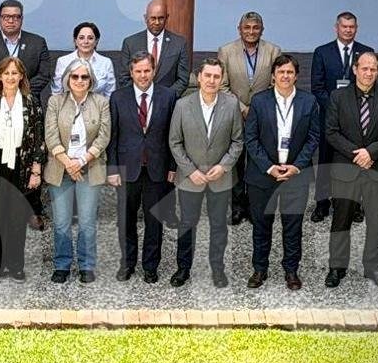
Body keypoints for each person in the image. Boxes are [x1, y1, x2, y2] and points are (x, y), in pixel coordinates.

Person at [323, 51, 378, 289]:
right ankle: (337, 267)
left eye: (373, 69)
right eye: (364, 68)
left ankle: (373, 267)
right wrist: (357, 155)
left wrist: (371, 152)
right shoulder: (338, 97)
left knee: (376, 221)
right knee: (341, 219)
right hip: (346, 168)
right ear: (355, 70)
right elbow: (331, 132)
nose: (368, 73)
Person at [243, 54, 320, 290]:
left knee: (293, 226)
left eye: (289, 72)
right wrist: (269, 167)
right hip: (263, 175)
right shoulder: (259, 101)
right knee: (261, 225)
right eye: (281, 72)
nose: (285, 76)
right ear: (273, 76)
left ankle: (291, 270)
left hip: (296, 174)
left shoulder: (309, 101)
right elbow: (250, 138)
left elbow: (313, 137)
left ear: (296, 76)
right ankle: (259, 269)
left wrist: (297, 166)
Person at [168, 58, 243, 288]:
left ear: (221, 79)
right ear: (199, 77)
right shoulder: (182, 105)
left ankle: (218, 269)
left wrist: (224, 166)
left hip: (220, 178)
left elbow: (237, 141)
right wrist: (190, 170)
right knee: (187, 224)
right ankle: (183, 269)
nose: (211, 80)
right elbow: (175, 142)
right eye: (207, 75)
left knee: (219, 225)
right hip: (191, 178)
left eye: (216, 76)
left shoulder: (231, 104)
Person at [107, 53, 177, 284]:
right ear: (131, 72)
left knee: (154, 220)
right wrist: (112, 168)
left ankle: (150, 266)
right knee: (126, 219)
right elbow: (113, 136)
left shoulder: (168, 96)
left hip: (157, 168)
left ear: (154, 71)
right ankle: (127, 263)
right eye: (138, 71)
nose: (143, 75)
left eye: (147, 71)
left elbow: (173, 135)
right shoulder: (118, 97)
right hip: (127, 168)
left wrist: (173, 166)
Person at [0, 57, 44, 281]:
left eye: (15, 73)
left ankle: (16, 265)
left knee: (17, 219)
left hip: (22, 167)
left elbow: (38, 139)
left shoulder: (31, 102)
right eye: (6, 73)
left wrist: (36, 171)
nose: (11, 77)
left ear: (22, 76)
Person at [44, 58, 111, 284]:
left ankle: (86, 265)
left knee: (87, 221)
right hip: (60, 169)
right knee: (61, 221)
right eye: (75, 76)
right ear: (67, 79)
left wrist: (81, 161)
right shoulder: (55, 101)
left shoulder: (101, 102)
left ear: (91, 80)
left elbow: (104, 136)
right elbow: (50, 135)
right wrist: (68, 163)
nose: (80, 80)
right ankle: (62, 265)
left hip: (89, 168)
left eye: (84, 76)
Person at [308, 12, 373, 223]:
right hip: (329, 117)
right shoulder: (322, 52)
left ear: (357, 28)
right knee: (326, 160)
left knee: (354, 161)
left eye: (351, 27)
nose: (348, 30)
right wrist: (336, 108)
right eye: (344, 26)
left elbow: (369, 85)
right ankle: (322, 204)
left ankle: (353, 205)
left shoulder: (366, 52)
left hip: (356, 119)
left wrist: (351, 110)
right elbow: (317, 87)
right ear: (336, 27)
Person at [218, 11, 281, 225]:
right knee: (235, 163)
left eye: (255, 27)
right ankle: (237, 207)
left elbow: (276, 84)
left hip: (263, 117)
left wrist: (257, 110)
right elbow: (222, 86)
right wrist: (244, 108)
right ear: (239, 29)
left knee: (258, 162)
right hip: (234, 116)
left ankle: (256, 206)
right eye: (247, 27)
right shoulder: (226, 51)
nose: (251, 31)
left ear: (262, 30)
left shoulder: (273, 51)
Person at [0, 0, 54, 100]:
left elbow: (44, 75)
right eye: (6, 17)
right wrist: (2, 93)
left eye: (15, 17)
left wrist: (21, 92)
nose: (10, 21)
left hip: (28, 101)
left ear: (22, 19)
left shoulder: (37, 43)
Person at [116, 0, 189, 95]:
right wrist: (141, 96)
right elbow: (124, 77)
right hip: (137, 100)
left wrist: (166, 97)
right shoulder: (130, 43)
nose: (157, 22)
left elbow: (183, 79)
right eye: (153, 18)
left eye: (161, 18)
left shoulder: (179, 43)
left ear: (167, 18)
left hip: (167, 101)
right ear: (145, 18)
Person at [51, 21, 117, 98]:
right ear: (75, 41)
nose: (86, 41)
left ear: (96, 41)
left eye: (90, 38)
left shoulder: (106, 62)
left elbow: (110, 94)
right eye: (81, 38)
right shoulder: (63, 61)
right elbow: (57, 93)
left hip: (98, 105)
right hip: (68, 104)